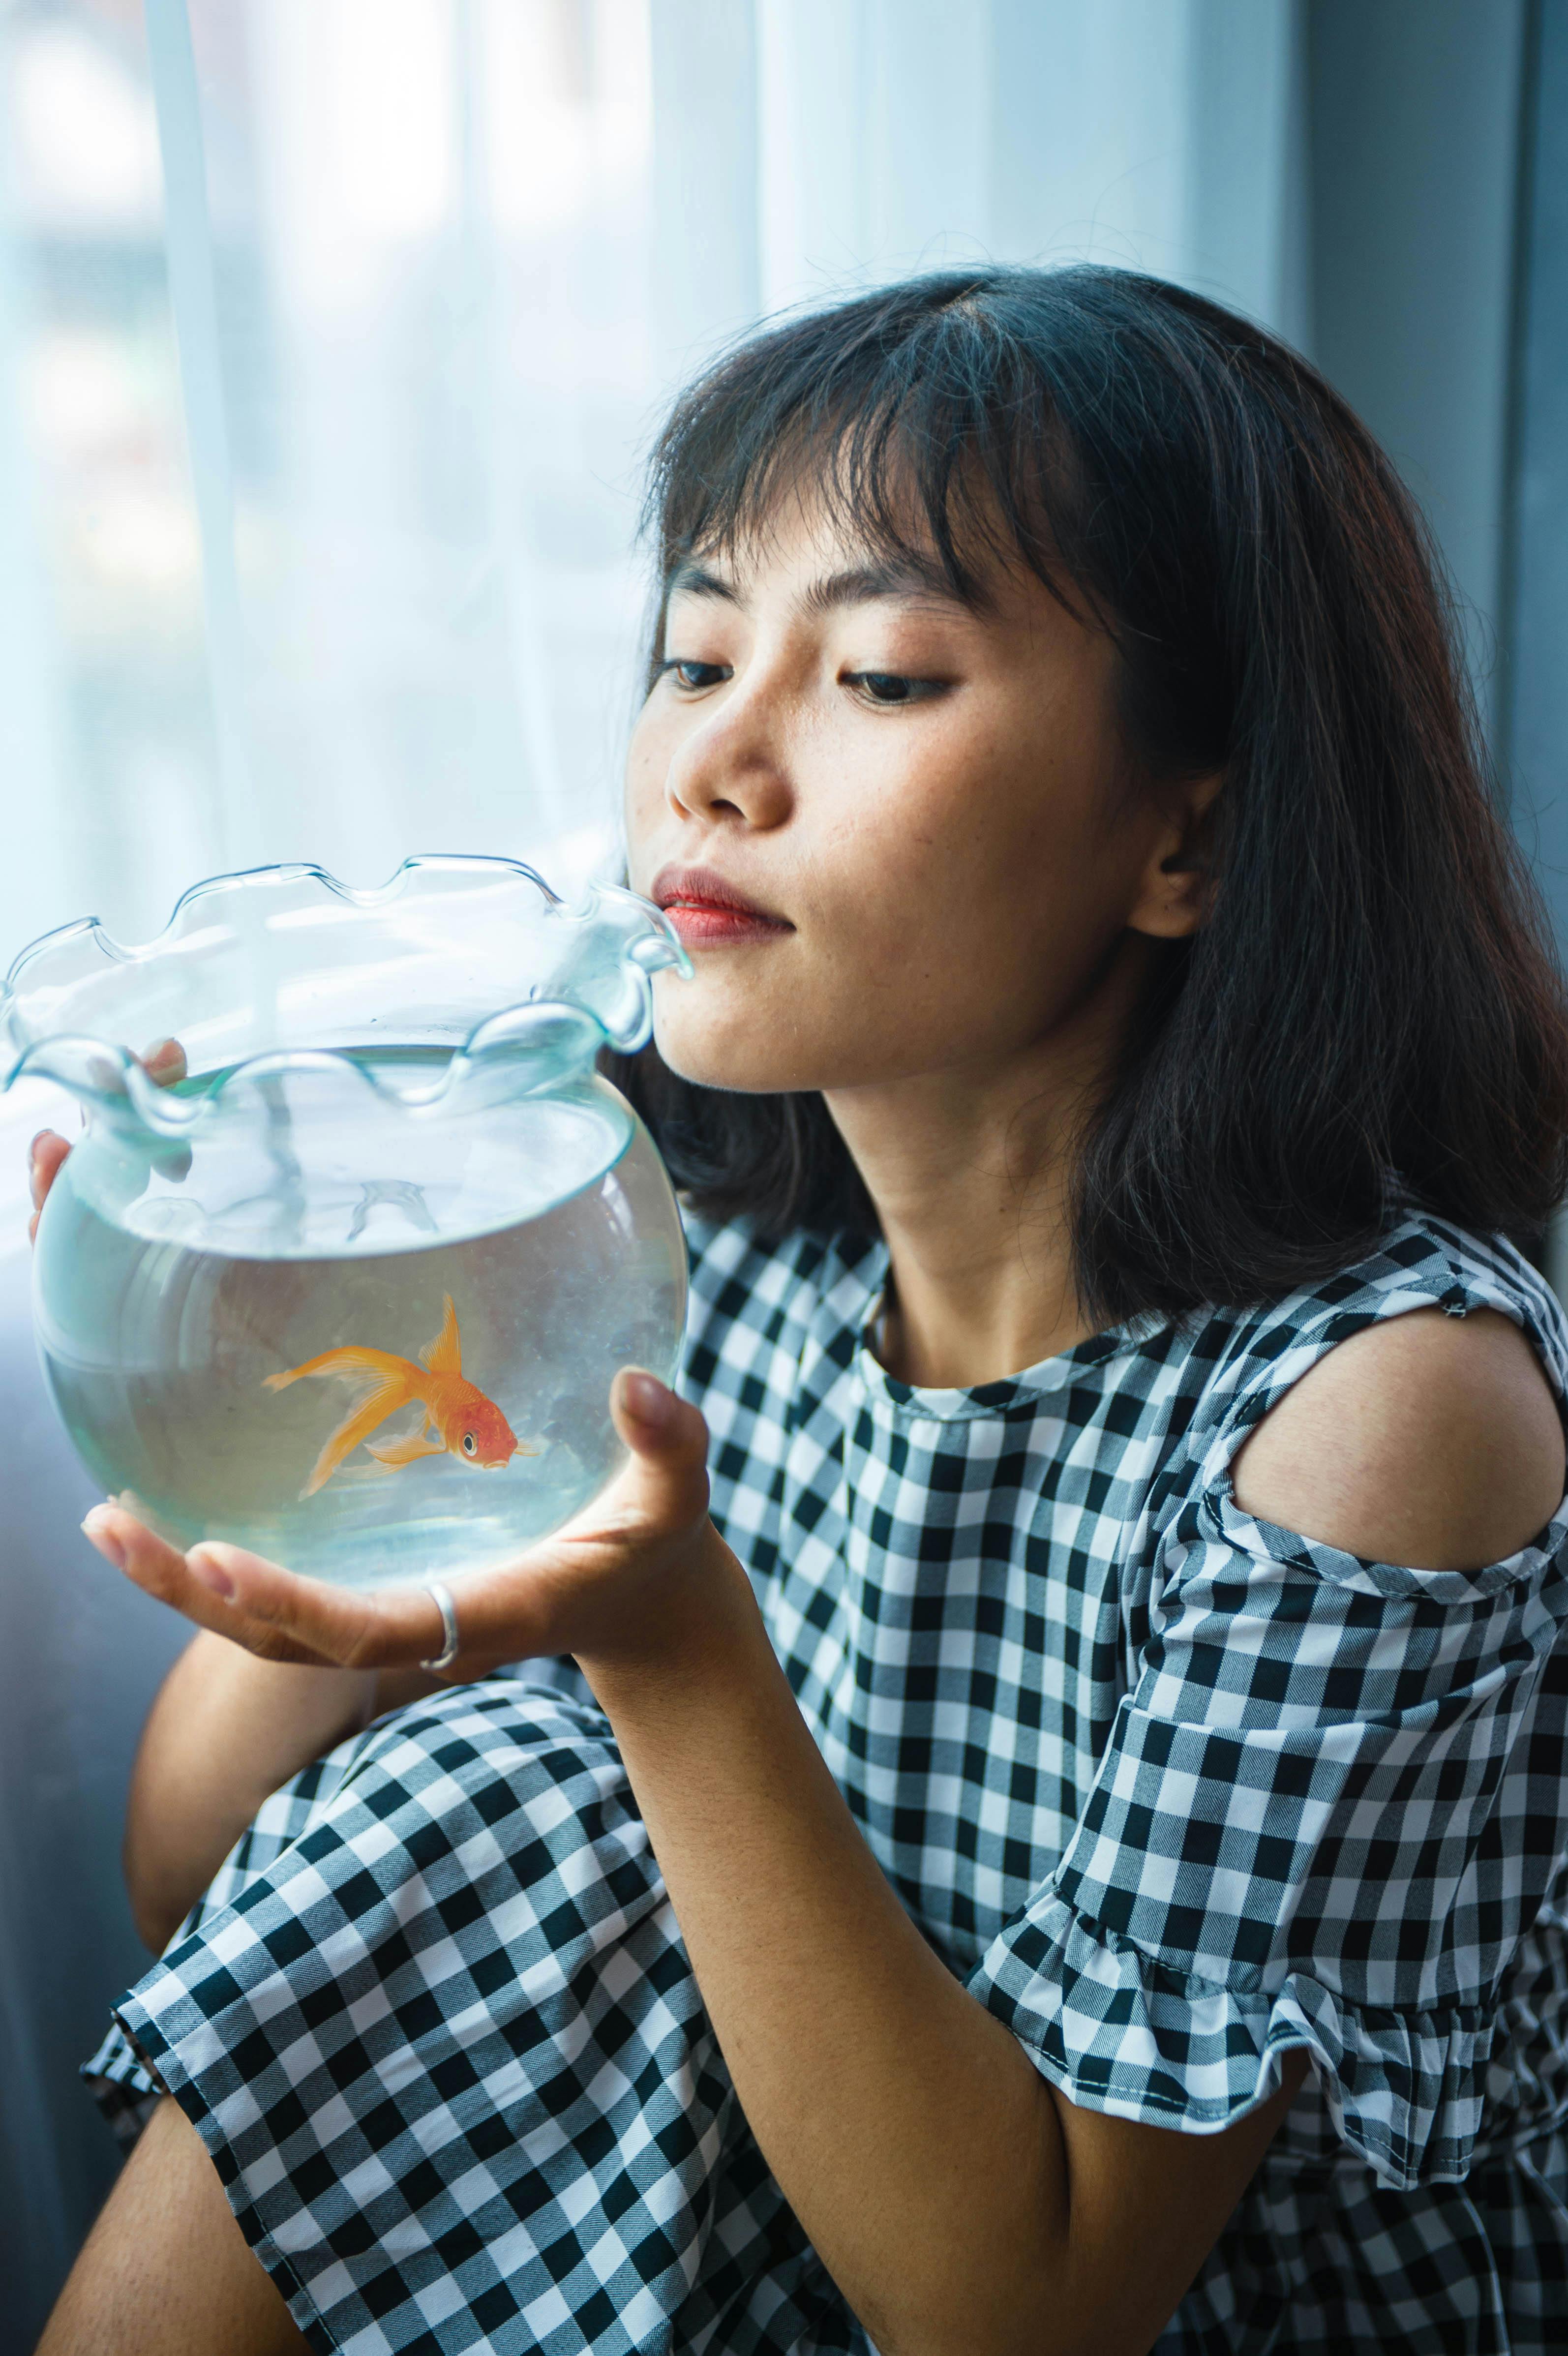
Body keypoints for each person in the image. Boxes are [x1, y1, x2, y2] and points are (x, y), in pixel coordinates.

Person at [32, 266, 1568, 2356]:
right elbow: (198, 1875)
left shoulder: (1382, 1408)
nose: (713, 768)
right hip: (791, 2191)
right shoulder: (688, 1248)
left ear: (1182, 835)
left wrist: (669, 1650)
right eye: (690, 653)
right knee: (490, 1806)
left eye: (881, 676)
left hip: (1132, 2301)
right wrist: (305, 1415)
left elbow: (1018, 2307)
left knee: (535, 1789)